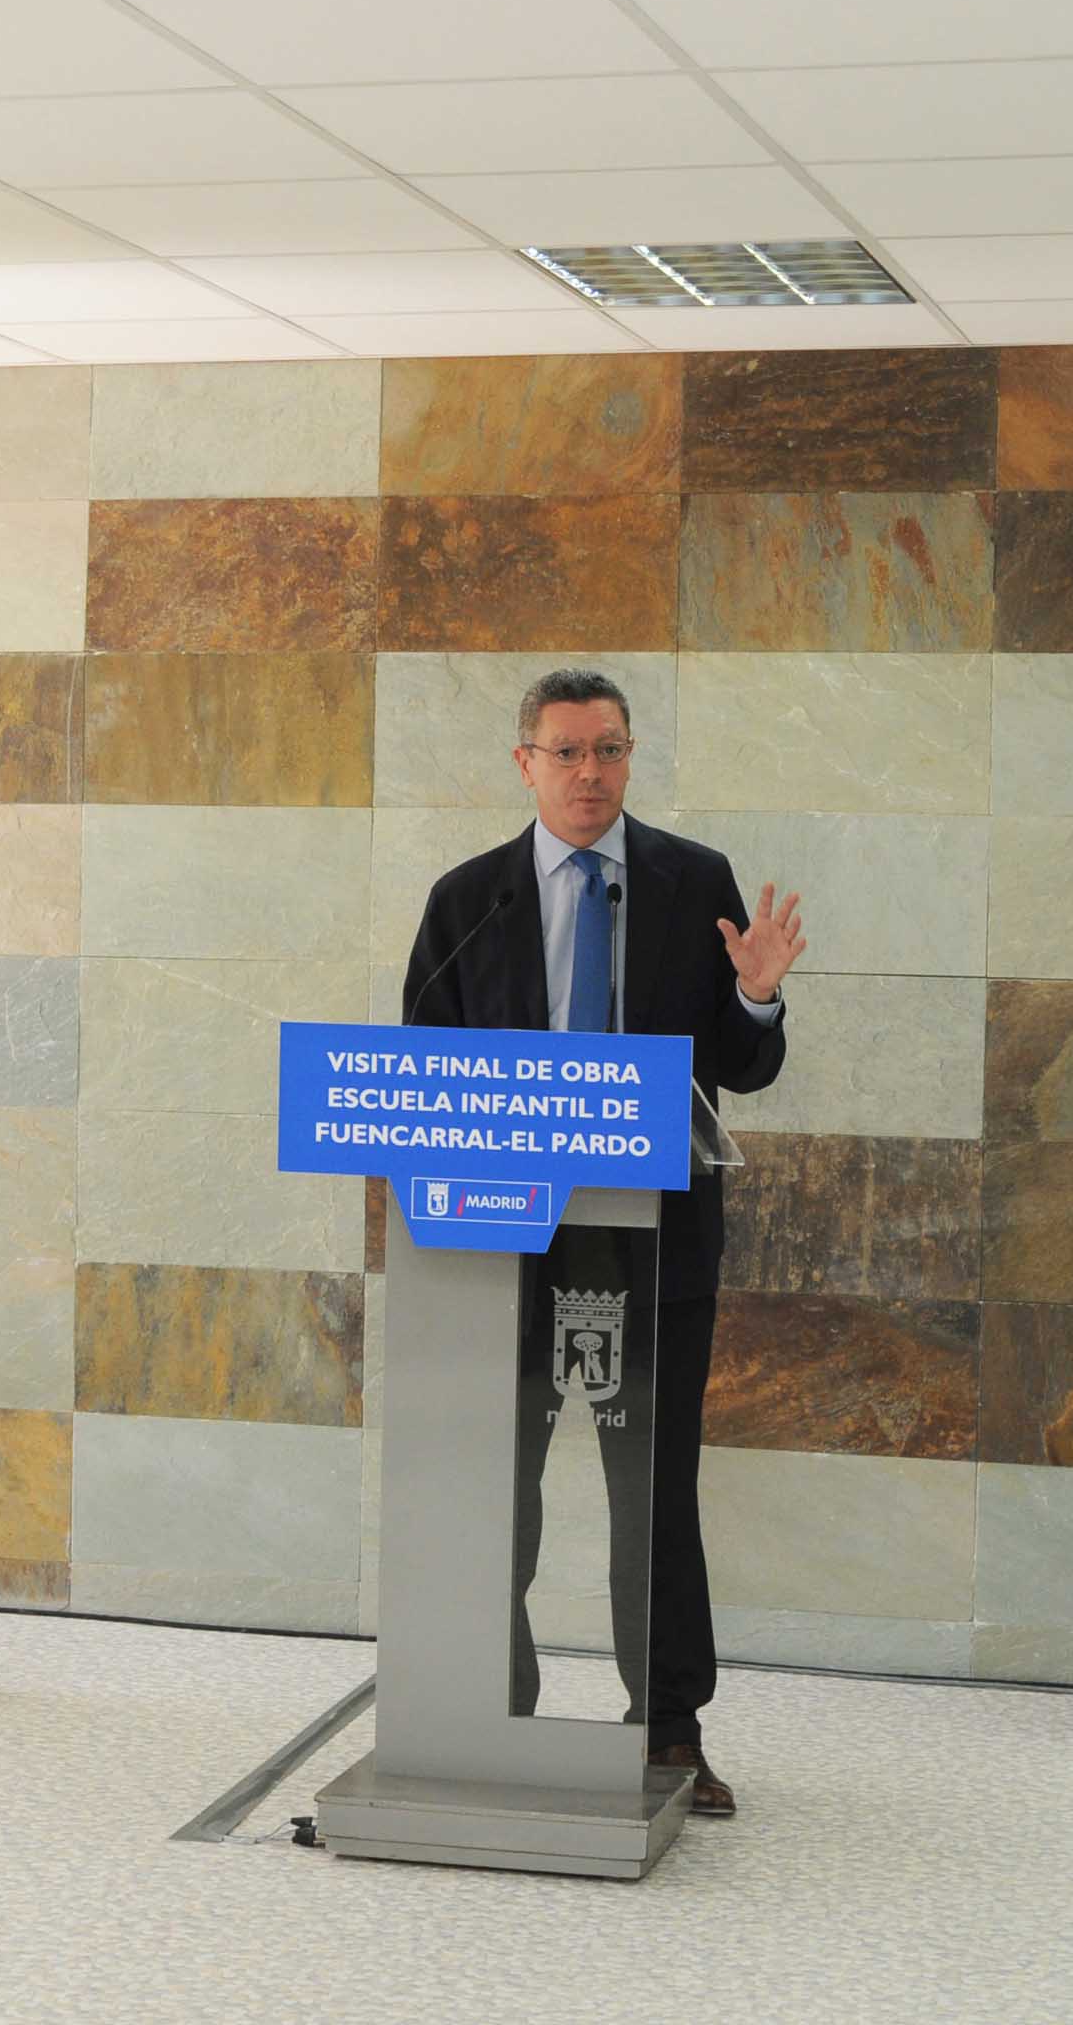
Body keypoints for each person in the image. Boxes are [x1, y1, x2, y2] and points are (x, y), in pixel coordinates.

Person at [399, 668, 808, 1818]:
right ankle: (495, 1710)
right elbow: (422, 1069)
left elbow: (744, 1067)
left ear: (631, 758)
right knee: (500, 1492)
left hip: (657, 1246)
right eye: (568, 752)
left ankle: (669, 1730)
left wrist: (758, 999)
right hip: (505, 1251)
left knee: (655, 1497)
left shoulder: (692, 881)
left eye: (610, 750)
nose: (591, 773)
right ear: (524, 763)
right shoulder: (468, 899)